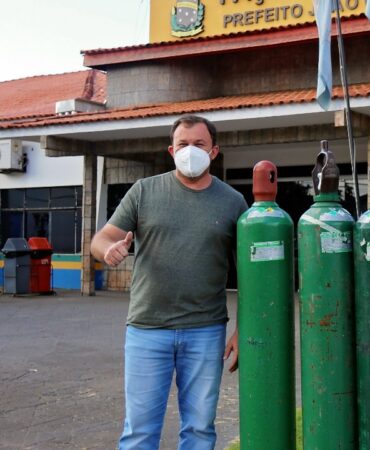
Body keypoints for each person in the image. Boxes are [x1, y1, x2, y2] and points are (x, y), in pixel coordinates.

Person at [91, 115, 248, 449]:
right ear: (171, 151)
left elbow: (249, 275)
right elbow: (101, 238)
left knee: (200, 430)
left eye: (199, 144)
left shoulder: (233, 201)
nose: (190, 151)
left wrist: (242, 328)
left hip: (206, 331)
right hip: (147, 330)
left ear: (214, 151)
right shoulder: (144, 192)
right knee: (139, 432)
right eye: (183, 144)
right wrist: (108, 251)